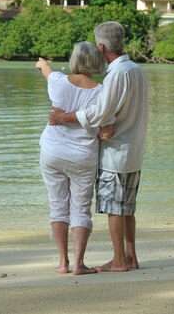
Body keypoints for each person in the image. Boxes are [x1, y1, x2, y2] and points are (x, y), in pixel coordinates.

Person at [49, 21, 149, 273]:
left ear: (102, 47)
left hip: (116, 152)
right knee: (127, 208)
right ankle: (130, 257)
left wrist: (65, 117)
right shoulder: (136, 70)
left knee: (115, 208)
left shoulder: (117, 74)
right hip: (134, 149)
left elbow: (101, 112)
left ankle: (119, 261)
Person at [35, 41, 112, 275]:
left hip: (52, 152)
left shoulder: (58, 81)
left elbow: (46, 71)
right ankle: (79, 264)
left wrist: (42, 64)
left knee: (57, 206)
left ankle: (62, 263)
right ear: (96, 63)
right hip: (82, 157)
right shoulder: (102, 93)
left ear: (74, 60)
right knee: (80, 209)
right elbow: (106, 132)